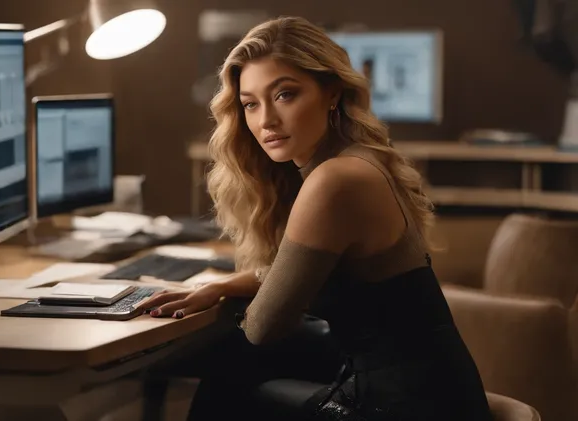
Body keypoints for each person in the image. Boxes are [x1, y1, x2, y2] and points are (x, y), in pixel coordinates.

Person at [140, 16, 493, 421]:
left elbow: (262, 328)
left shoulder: (334, 180)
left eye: (285, 94)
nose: (266, 120)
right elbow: (307, 272)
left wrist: (230, 301)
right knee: (241, 368)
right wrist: (223, 285)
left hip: (409, 407)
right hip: (437, 392)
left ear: (332, 93)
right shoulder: (357, 160)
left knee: (230, 374)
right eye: (250, 104)